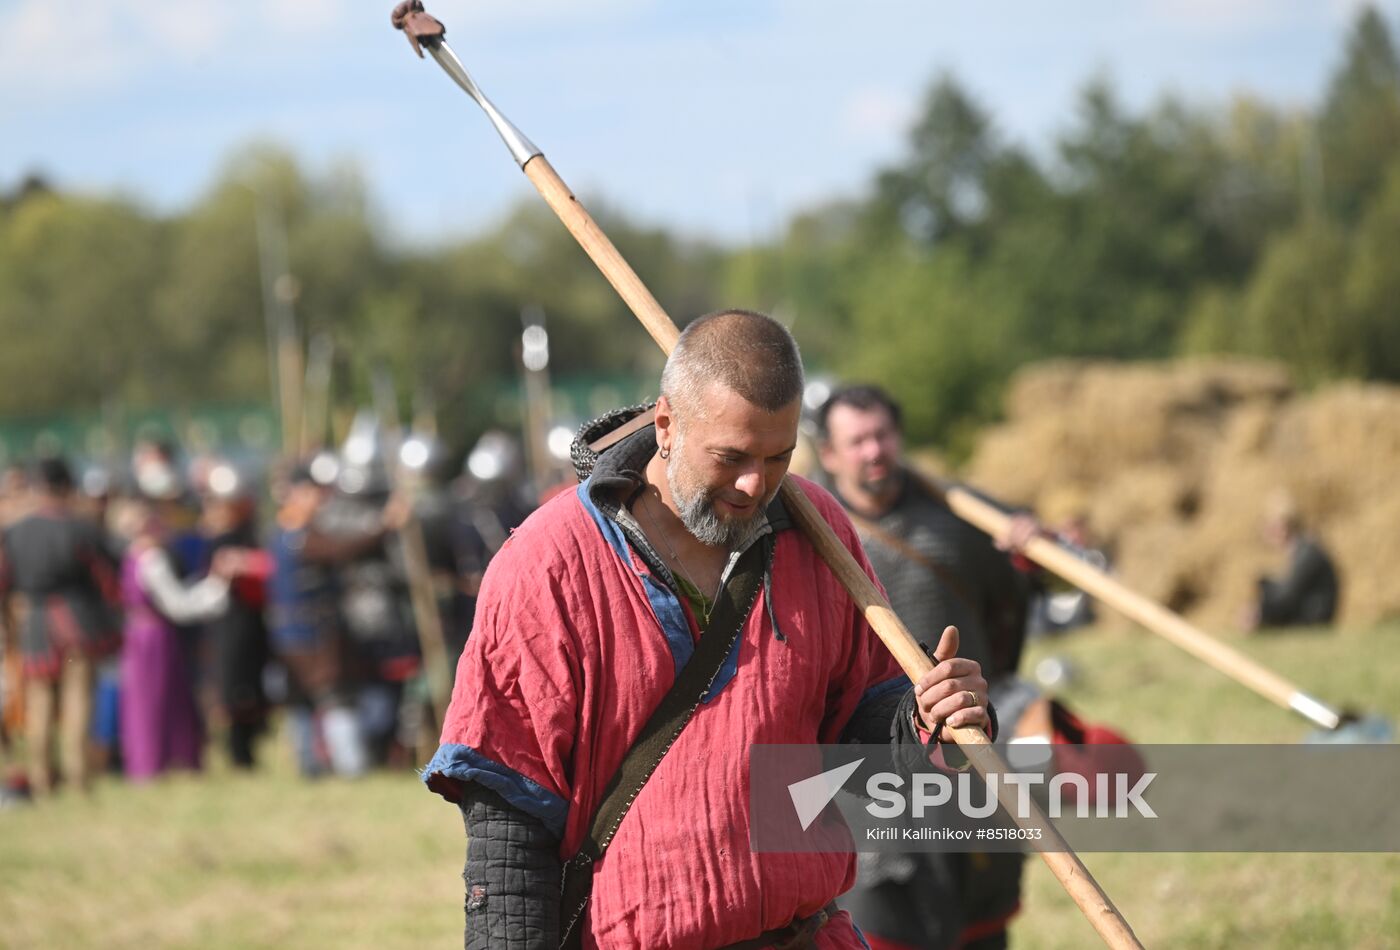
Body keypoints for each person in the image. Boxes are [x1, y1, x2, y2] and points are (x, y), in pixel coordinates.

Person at [422, 310, 993, 949]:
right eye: (731, 456)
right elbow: (509, 822)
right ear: (666, 425)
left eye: (779, 457)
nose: (756, 485)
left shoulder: (816, 532)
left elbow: (853, 743)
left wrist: (921, 719)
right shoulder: (550, 563)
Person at [816, 384, 1040, 950]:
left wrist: (1024, 551)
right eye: (857, 440)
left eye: (882, 435)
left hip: (961, 744)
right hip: (870, 758)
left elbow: (1008, 607)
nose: (873, 451)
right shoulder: (810, 538)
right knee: (885, 914)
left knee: (977, 922)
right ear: (830, 455)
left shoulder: (959, 521)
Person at [0, 456, 121, 796]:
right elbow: (109, 579)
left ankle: (41, 781)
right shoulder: (81, 528)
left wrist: (8, 627)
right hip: (77, 621)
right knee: (78, 701)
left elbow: (3, 582)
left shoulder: (14, 533)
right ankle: (78, 778)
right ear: (67, 486)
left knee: (39, 703)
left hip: (35, 623)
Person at [119, 461, 245, 781]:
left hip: (141, 637)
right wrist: (217, 585)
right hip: (156, 639)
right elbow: (178, 605)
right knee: (159, 703)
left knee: (151, 703)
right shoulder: (152, 558)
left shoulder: (135, 554)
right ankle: (164, 762)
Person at [1244, 492, 1339, 631]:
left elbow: (1288, 595)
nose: (1268, 533)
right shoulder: (1302, 549)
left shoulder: (1308, 552)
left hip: (1313, 621)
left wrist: (1260, 614)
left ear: (1285, 527)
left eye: (1272, 527)